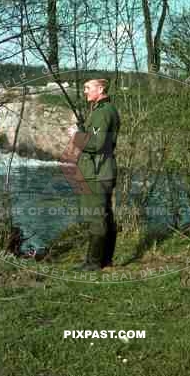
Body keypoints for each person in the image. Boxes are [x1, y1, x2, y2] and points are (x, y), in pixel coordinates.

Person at [67, 79, 120, 271]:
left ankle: (93, 263)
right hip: (103, 170)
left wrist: (76, 135)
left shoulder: (102, 113)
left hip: (97, 172)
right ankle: (105, 260)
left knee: (96, 216)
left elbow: (97, 145)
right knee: (105, 215)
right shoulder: (107, 110)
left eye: (88, 88)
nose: (85, 91)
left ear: (101, 89)